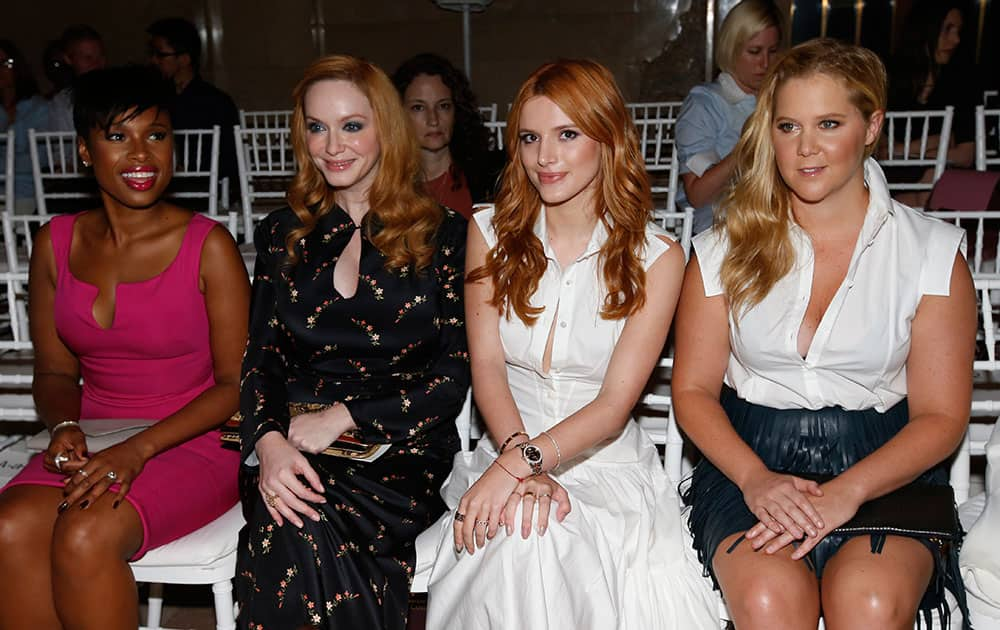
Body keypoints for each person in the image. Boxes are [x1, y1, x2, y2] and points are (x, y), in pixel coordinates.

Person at [674, 39, 975, 629]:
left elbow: (942, 417)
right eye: (788, 126)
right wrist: (755, 478)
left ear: (871, 127)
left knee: (867, 602)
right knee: (768, 601)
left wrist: (848, 491)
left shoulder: (931, 253)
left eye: (829, 123)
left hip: (885, 465)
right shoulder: (720, 249)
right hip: (750, 463)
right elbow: (692, 392)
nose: (805, 148)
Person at [425, 59, 718, 629]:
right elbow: (486, 365)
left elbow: (612, 407)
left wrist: (524, 464)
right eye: (531, 138)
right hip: (506, 437)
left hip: (601, 461)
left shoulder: (657, 258)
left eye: (567, 135)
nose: (545, 157)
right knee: (520, 533)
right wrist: (515, 459)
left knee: (540, 535)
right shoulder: (487, 232)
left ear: (607, 140)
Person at [0, 65, 249, 629]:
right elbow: (56, 372)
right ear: (85, 151)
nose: (142, 155)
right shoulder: (55, 242)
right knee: (9, 526)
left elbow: (238, 386)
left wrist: (138, 450)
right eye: (118, 136)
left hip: (198, 439)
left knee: (87, 532)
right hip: (97, 438)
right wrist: (65, 426)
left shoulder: (208, 246)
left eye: (156, 135)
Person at [234, 54, 470, 630]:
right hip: (290, 442)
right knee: (293, 514)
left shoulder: (446, 236)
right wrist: (267, 444)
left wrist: (345, 415)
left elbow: (453, 377)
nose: (332, 145)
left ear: (385, 128)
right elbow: (259, 357)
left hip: (400, 446)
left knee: (301, 527)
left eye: (352, 126)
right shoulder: (281, 234)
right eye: (317, 127)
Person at [674, 0, 782, 234]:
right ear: (732, 48)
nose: (765, 63)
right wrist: (745, 149)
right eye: (754, 52)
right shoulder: (703, 105)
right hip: (721, 226)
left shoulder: (783, 96)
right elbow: (698, 194)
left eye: (772, 51)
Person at [886, 0, 978, 206]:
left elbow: (965, 154)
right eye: (947, 29)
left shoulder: (962, 83)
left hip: (937, 178)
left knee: (932, 176)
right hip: (891, 175)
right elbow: (878, 148)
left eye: (958, 31)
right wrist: (934, 144)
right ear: (926, 29)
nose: (955, 40)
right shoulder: (892, 81)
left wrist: (902, 150)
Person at [392, 53, 503, 219]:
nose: (433, 120)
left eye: (443, 106)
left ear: (457, 110)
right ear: (398, 114)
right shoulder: (386, 186)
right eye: (418, 108)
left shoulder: (492, 177)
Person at [146, 17, 240, 203]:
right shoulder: (155, 100)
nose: (153, 61)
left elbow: (228, 161)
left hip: (203, 192)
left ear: (184, 59)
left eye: (161, 55)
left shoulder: (215, 102)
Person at [0, 39, 51, 213]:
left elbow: (42, 158)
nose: (1, 69)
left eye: (7, 63)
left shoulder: (39, 109)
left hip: (28, 193)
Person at [47, 25, 107, 132]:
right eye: (87, 58)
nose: (97, 63)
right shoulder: (62, 103)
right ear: (68, 59)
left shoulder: (120, 95)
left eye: (100, 56)